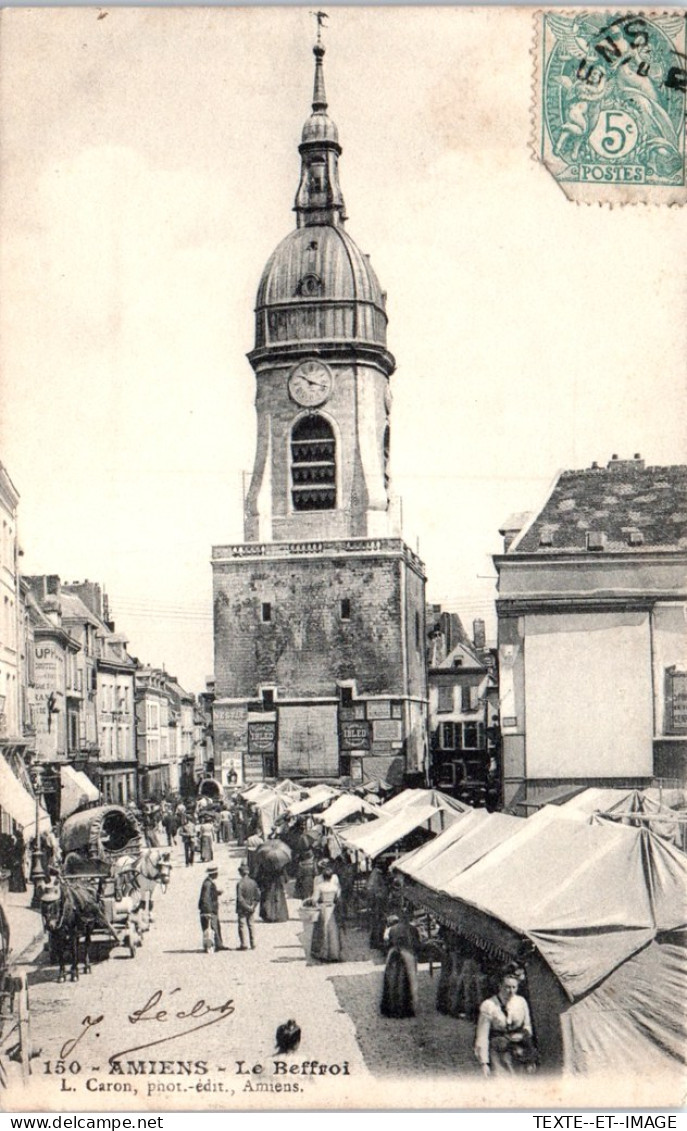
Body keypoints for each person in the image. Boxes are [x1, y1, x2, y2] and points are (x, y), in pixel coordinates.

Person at [474, 970, 537, 1076]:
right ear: (500, 986)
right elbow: (482, 1035)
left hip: (518, 1050)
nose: (511, 991)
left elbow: (528, 1026)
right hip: (498, 1052)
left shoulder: (521, 1002)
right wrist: (484, 1063)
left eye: (514, 987)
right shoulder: (489, 1005)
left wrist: (523, 1035)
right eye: (507, 987)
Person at [380, 911, 420, 1017]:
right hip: (407, 955)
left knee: (392, 980)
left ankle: (392, 1008)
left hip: (393, 955)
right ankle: (405, 1009)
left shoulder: (392, 929)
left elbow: (387, 943)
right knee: (409, 980)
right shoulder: (413, 929)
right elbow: (416, 944)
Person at [310, 863, 342, 962]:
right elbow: (338, 897)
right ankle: (334, 953)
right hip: (332, 908)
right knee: (333, 930)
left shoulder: (320, 886)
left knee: (323, 930)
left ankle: (323, 953)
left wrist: (316, 903)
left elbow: (314, 900)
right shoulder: (334, 887)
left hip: (323, 908)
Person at [198, 866, 225, 952]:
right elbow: (205, 898)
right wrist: (208, 911)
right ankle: (214, 945)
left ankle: (218, 944)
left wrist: (217, 893)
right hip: (210, 910)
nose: (217, 875)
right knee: (213, 927)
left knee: (215, 927)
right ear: (213, 874)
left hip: (211, 909)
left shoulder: (208, 882)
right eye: (216, 873)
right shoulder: (208, 884)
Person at [236, 863, 260, 950]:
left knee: (242, 925)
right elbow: (258, 896)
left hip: (242, 908)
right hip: (251, 907)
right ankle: (253, 944)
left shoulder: (240, 884)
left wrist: (245, 906)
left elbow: (240, 898)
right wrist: (253, 906)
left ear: (240, 873)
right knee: (251, 925)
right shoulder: (253, 882)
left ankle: (244, 944)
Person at [366, 862, 389, 950]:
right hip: (378, 904)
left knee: (377, 923)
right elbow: (373, 890)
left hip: (377, 903)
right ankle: (376, 942)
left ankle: (375, 942)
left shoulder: (375, 875)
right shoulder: (377, 875)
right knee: (378, 923)